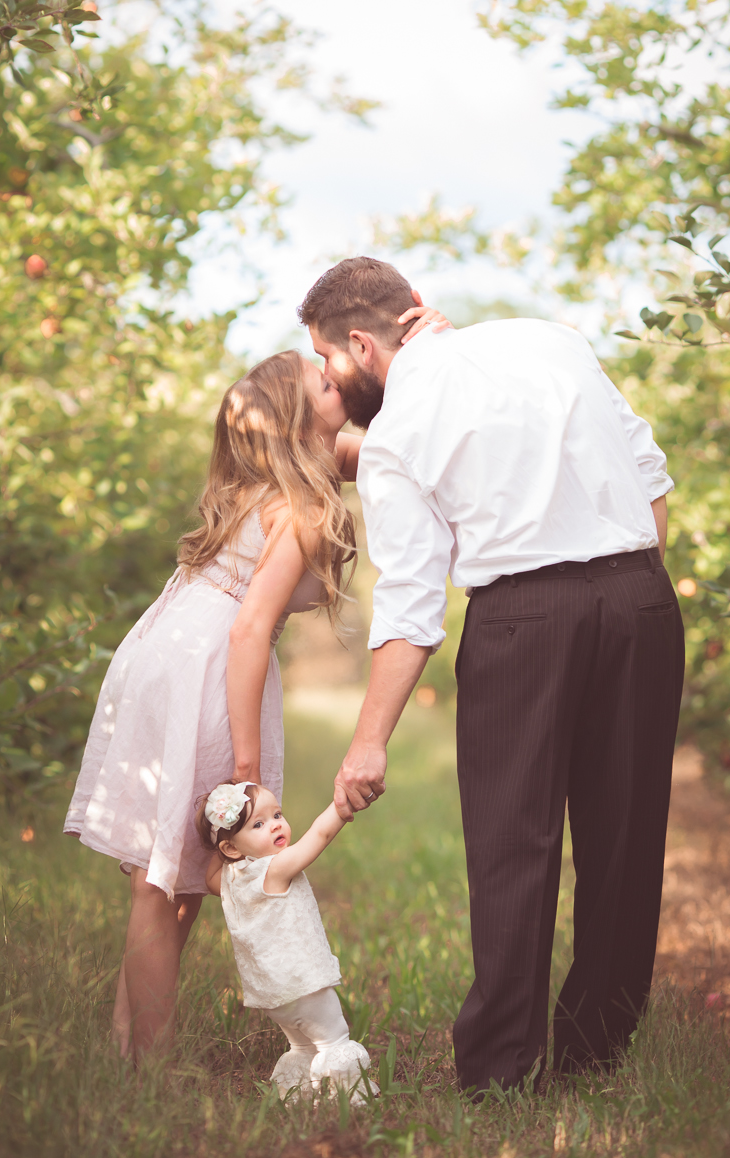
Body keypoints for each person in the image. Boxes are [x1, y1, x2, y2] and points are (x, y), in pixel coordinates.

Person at [298, 256, 685, 1095]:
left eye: (327, 358)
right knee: (626, 836)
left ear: (360, 344)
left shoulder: (398, 430)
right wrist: (619, 580)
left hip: (523, 619)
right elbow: (651, 481)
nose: (331, 374)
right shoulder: (551, 339)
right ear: (416, 307)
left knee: (515, 842)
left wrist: (368, 742)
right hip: (641, 598)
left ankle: (502, 1072)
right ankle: (598, 1049)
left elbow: (411, 604)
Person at [63, 304, 443, 1062]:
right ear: (298, 422)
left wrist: (429, 357)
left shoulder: (274, 477)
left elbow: (393, 451)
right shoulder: (297, 505)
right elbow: (248, 630)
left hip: (168, 649)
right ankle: (149, 1067)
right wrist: (244, 766)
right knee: (164, 883)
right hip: (210, 665)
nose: (338, 377)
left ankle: (126, 1046)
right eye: (323, 383)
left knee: (172, 876)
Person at [198, 780, 377, 1102]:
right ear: (232, 849)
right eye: (258, 824)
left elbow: (211, 873)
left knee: (303, 1046)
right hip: (303, 984)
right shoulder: (275, 869)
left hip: (272, 995)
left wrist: (222, 841)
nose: (275, 825)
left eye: (277, 814)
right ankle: (350, 1099)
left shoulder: (228, 879)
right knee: (333, 1041)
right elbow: (319, 835)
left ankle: (296, 1093)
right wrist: (342, 805)